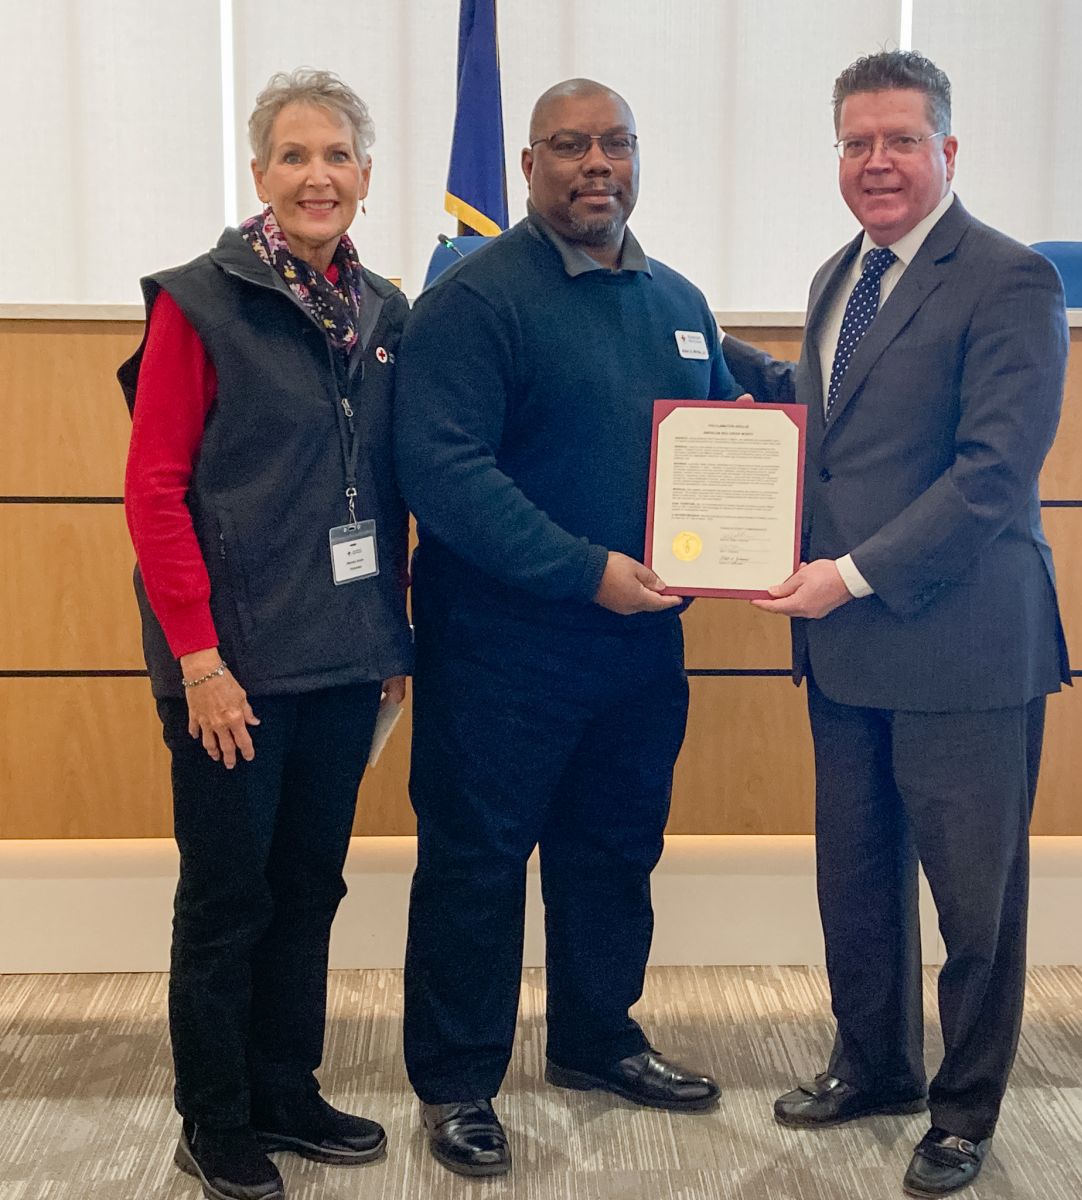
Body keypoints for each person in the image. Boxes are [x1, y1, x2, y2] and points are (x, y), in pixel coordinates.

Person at [723, 51, 1069, 1198]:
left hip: (963, 649)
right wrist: (706, 354)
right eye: (856, 142)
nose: (877, 161)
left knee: (975, 904)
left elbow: (989, 475)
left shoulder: (1010, 280)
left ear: (947, 152)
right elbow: (843, 423)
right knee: (858, 883)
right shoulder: (839, 275)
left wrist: (852, 574)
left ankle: (962, 1113)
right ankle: (873, 1065)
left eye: (900, 140)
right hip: (847, 652)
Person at [393, 77, 732, 1178]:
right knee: (477, 865)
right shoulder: (475, 300)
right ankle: (455, 1082)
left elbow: (721, 428)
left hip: (638, 649)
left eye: (617, 144)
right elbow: (442, 474)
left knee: (614, 850)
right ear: (530, 164)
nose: (599, 164)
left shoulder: (676, 300)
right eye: (572, 146)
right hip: (501, 649)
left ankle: (596, 1040)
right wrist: (583, 572)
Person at [119, 69, 412, 1200]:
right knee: (230, 896)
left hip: (342, 655)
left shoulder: (383, 310)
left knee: (309, 886)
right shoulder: (200, 302)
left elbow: (389, 487)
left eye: (336, 155)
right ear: (259, 177)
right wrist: (197, 658)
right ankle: (216, 1115)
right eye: (293, 156)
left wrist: (392, 637)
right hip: (227, 670)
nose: (316, 176)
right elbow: (154, 492)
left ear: (366, 178)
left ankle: (287, 1087)